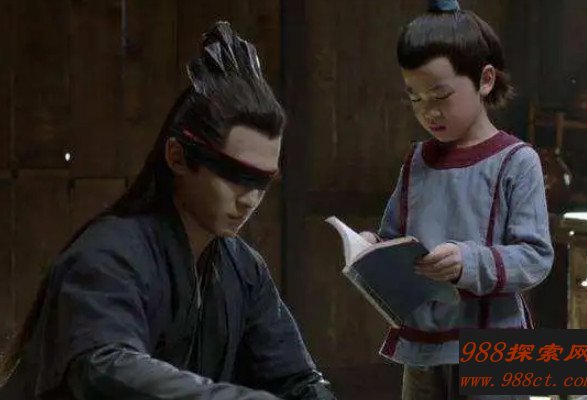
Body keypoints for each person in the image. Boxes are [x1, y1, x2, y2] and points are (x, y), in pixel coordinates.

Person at [0, 21, 335, 400]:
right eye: (234, 176)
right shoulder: (108, 255)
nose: (250, 199)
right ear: (177, 156)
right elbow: (105, 367)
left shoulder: (243, 270)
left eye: (261, 182)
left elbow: (296, 380)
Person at [359, 1, 554, 398]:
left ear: (485, 79)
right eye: (415, 98)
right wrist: (372, 248)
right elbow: (394, 238)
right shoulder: (416, 162)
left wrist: (469, 262)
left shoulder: (517, 161)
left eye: (440, 95)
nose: (428, 112)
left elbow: (536, 257)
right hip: (423, 343)